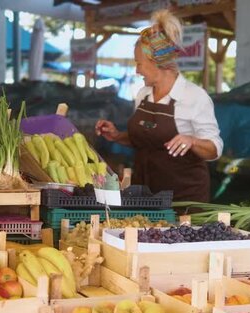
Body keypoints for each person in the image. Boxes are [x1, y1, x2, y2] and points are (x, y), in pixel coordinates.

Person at [95, 10, 223, 202]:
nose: (137, 71)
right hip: (145, 196)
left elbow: (214, 149)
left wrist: (192, 141)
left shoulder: (193, 97)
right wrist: (117, 136)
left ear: (158, 63)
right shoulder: (143, 95)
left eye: (139, 64)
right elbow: (147, 139)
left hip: (183, 199)